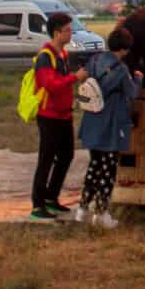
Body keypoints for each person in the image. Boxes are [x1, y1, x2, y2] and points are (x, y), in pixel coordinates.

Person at [75, 26, 141, 228]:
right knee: (108, 168)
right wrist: (138, 78)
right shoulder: (121, 70)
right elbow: (133, 93)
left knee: (94, 166)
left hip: (92, 120)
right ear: (125, 48)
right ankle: (102, 213)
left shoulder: (94, 60)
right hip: (111, 123)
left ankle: (82, 209)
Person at [30, 12, 87, 220]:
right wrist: (75, 77)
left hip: (64, 115)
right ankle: (37, 204)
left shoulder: (62, 54)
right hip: (49, 116)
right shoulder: (46, 57)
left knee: (66, 156)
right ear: (56, 32)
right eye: (67, 30)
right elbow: (50, 85)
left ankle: (51, 198)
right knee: (46, 159)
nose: (71, 33)